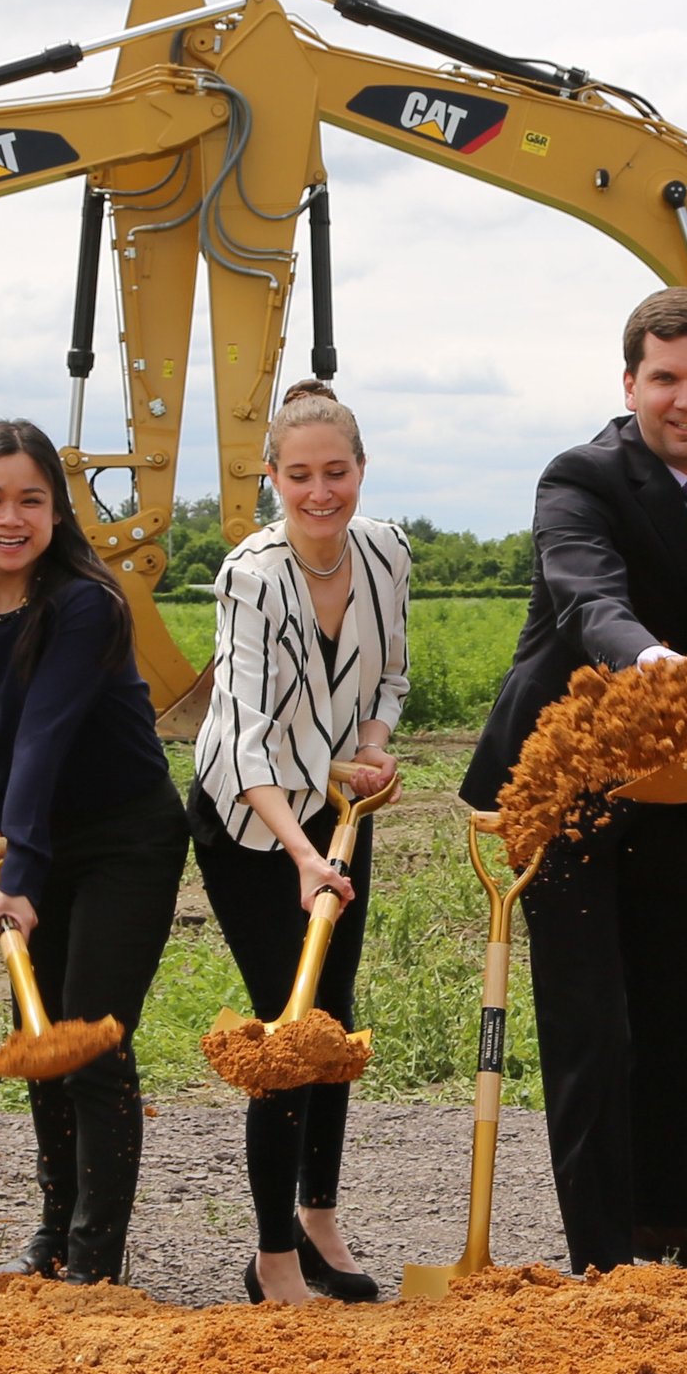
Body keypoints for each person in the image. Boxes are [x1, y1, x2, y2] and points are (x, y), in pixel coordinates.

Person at [459, 288, 687, 1277]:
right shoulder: (579, 479)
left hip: (668, 773)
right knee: (590, 1023)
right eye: (665, 378)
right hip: (559, 772)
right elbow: (588, 600)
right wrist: (661, 665)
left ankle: (669, 1223)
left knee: (675, 1007)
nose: (686, 399)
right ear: (629, 383)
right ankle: (601, 1257)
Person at [0, 421, 185, 1288]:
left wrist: (24, 875)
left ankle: (94, 1265)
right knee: (37, 1039)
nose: (12, 517)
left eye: (32, 500)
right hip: (39, 832)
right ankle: (50, 1240)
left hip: (126, 838)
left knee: (85, 1038)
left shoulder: (84, 603)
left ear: (57, 512)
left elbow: (43, 735)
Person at [187, 382, 409, 1306]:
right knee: (286, 1022)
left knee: (336, 1009)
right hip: (250, 821)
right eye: (301, 476)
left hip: (334, 811)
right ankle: (271, 1255)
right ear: (271, 477)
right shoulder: (252, 575)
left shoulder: (387, 551)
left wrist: (371, 749)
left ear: (360, 471)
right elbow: (243, 743)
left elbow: (390, 676)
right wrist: (303, 855)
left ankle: (320, 1218)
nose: (322, 494)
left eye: (338, 473)